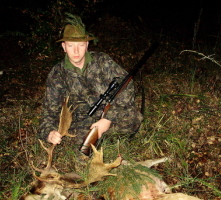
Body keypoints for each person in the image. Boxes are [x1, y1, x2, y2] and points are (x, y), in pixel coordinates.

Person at [38, 20, 143, 153]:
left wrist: (107, 119)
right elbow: (49, 111)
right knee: (78, 148)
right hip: (82, 122)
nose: (76, 51)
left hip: (109, 111)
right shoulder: (57, 74)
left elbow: (126, 87)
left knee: (132, 117)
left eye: (81, 45)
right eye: (71, 46)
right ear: (64, 47)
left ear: (87, 45)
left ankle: (108, 141)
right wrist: (49, 132)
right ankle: (102, 143)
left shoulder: (102, 61)